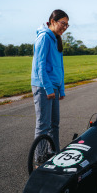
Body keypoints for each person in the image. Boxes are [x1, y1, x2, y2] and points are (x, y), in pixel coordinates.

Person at [31, 9, 69, 152]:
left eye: (67, 25)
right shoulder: (44, 38)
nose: (64, 27)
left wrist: (62, 89)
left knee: (54, 124)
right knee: (43, 125)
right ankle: (39, 158)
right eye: (62, 24)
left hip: (54, 86)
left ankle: (54, 153)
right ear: (52, 21)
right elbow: (39, 66)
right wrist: (48, 88)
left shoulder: (56, 38)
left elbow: (60, 67)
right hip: (43, 86)